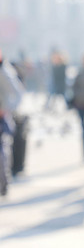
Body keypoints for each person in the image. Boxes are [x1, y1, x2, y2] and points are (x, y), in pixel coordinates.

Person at [0, 48, 25, 196]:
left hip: (2, 118)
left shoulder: (5, 71)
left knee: (2, 152)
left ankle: (3, 184)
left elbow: (18, 93)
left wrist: (6, 109)